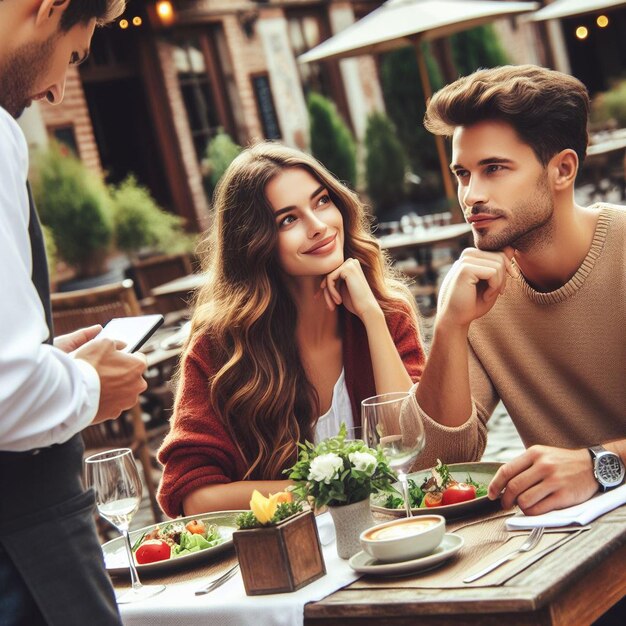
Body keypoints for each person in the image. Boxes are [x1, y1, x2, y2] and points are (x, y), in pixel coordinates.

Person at [157, 142, 425, 517]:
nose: (318, 227)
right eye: (288, 219)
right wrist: (328, 487)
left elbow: (412, 449)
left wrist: (372, 318)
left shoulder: (386, 313)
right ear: (254, 243)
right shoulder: (220, 348)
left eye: (321, 202)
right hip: (285, 559)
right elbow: (193, 496)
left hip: (395, 535)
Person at [411, 64, 626, 517]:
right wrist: (451, 324)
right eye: (463, 174)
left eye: (493, 169)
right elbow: (437, 469)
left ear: (562, 170)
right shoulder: (476, 292)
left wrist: (600, 464)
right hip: (574, 552)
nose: (470, 196)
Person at [0, 1, 148, 625]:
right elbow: (8, 391)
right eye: (75, 53)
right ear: (51, 6)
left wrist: (51, 367)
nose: (59, 87)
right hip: (23, 550)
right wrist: (90, 384)